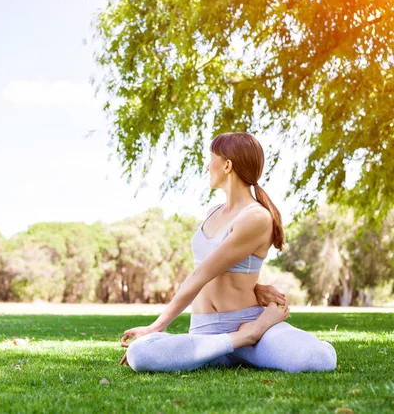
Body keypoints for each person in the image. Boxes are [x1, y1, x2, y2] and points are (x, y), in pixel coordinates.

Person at [119, 132, 337, 373]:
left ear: (227, 165)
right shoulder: (213, 212)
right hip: (206, 333)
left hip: (251, 322)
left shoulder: (256, 216)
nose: (206, 166)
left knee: (317, 359)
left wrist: (155, 327)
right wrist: (255, 289)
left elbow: (202, 273)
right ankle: (241, 339)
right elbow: (224, 267)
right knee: (139, 353)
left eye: (211, 158)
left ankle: (251, 336)